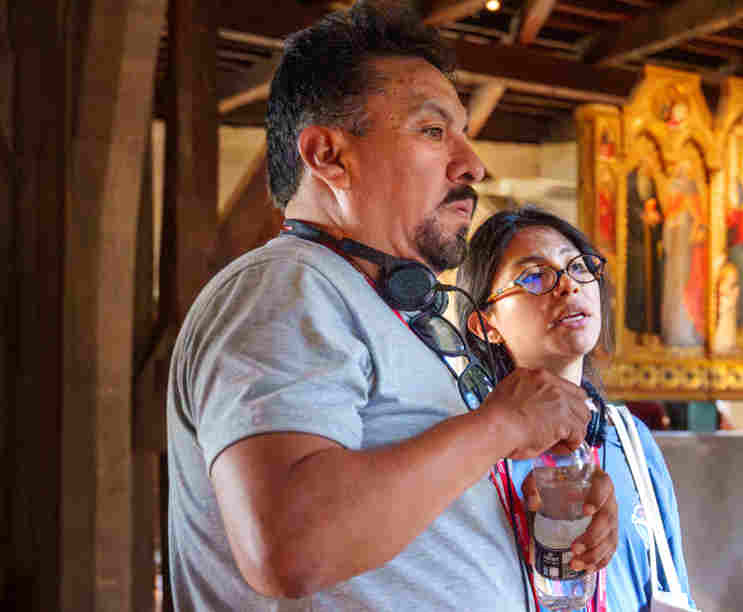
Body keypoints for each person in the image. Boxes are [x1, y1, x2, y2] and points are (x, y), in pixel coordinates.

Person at [164, 4, 617, 610]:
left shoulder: (384, 310)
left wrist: (532, 508)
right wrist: (501, 424)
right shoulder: (287, 287)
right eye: (433, 132)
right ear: (328, 156)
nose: (472, 164)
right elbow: (291, 547)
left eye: (461, 132)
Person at [456, 207, 699, 612]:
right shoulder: (467, 445)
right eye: (534, 276)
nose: (569, 285)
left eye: (579, 267)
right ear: (485, 324)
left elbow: (672, 583)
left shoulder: (630, 440)